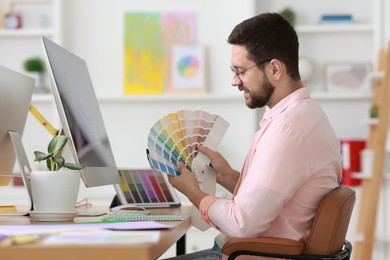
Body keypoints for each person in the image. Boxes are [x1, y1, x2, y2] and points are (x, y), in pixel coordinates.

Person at [166, 12, 342, 260]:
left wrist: (193, 192)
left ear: (274, 69)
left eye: (241, 71)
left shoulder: (288, 129)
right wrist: (227, 176)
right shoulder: (306, 115)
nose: (234, 81)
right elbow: (274, 199)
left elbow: (242, 223)